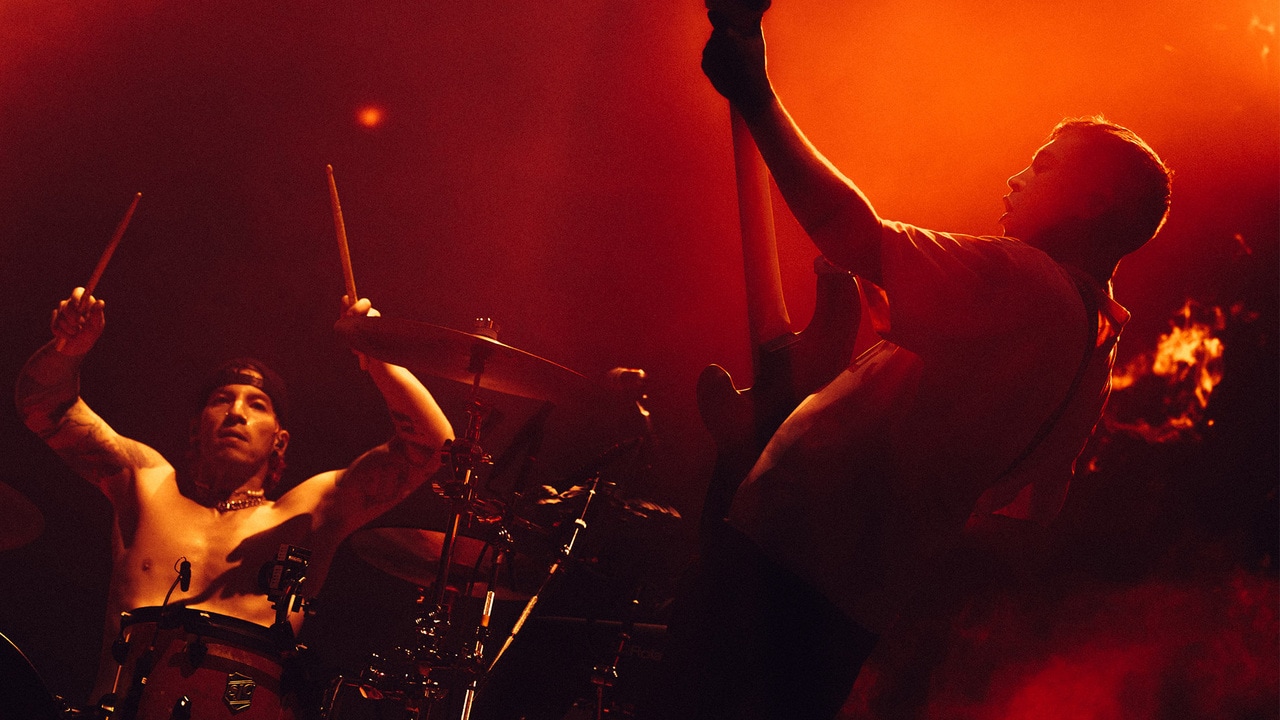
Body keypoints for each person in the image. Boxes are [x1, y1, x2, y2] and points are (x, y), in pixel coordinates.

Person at [652, 2, 1173, 719]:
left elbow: (852, 233)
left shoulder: (1026, 282)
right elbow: (1023, 511)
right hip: (843, 610)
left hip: (775, 585)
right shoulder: (1094, 359)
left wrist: (758, 96)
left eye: (1042, 164)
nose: (1015, 177)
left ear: (1095, 200)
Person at [14, 288, 455, 713]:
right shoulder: (146, 484)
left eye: (257, 404)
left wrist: (380, 358)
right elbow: (45, 408)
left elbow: (433, 448)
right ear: (196, 427)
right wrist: (67, 348)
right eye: (222, 400)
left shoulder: (302, 515)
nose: (237, 413)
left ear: (280, 440)